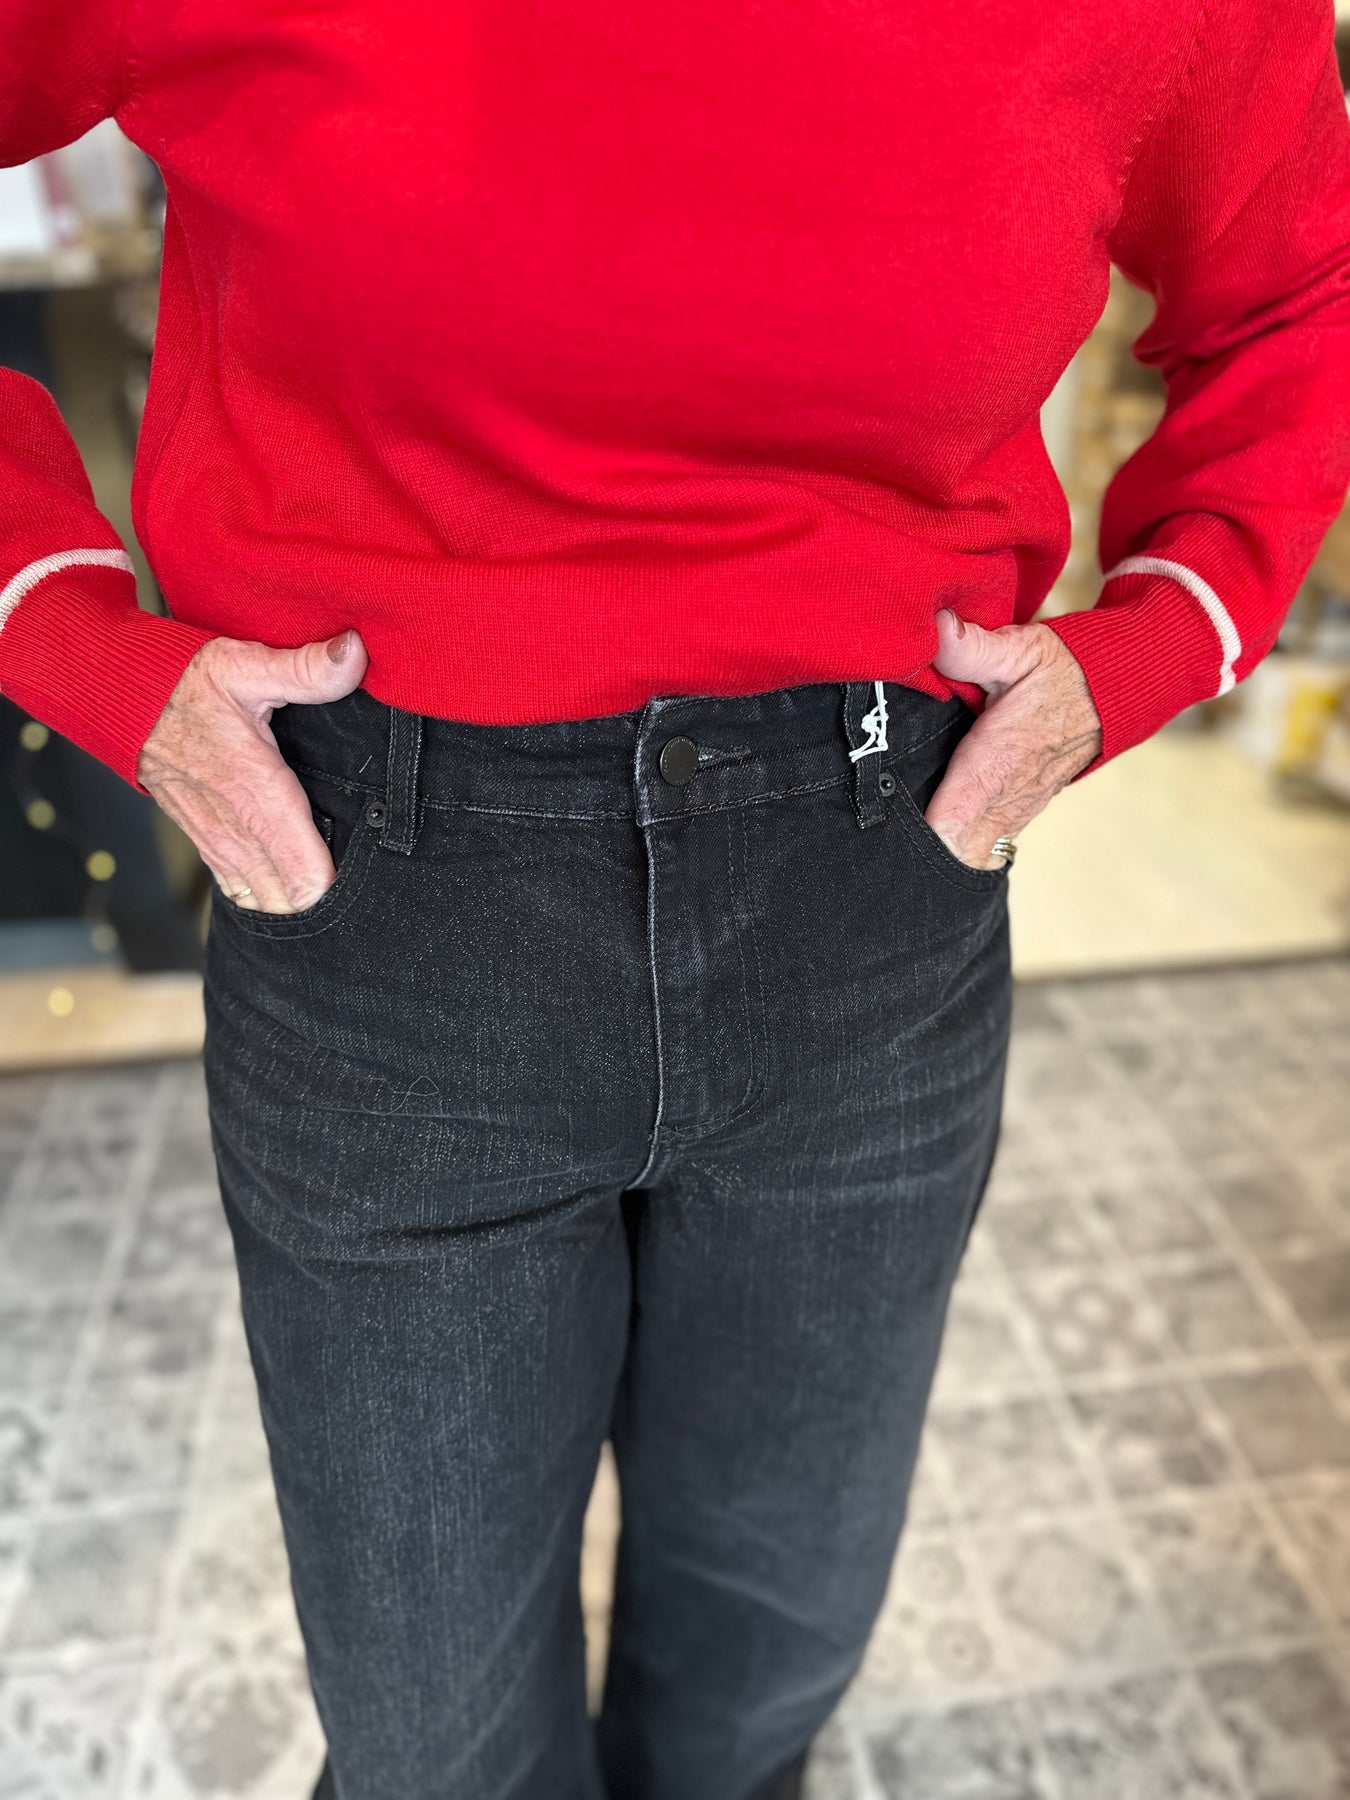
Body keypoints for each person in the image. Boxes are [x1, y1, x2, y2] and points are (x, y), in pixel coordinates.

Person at [3, 3, 1348, 1795]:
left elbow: (1295, 285)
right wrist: (54, 611)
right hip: (387, 899)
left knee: (755, 1684)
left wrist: (1174, 623)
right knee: (431, 1744)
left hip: (874, 883)